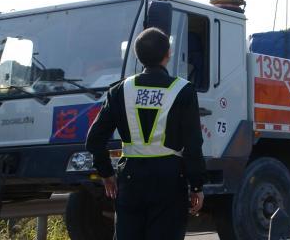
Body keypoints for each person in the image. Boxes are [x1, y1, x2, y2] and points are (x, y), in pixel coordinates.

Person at [86, 27, 206, 240]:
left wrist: (106, 174)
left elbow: (94, 140)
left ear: (137, 55)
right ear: (167, 54)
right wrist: (196, 185)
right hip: (169, 179)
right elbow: (194, 144)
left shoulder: (119, 91)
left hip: (130, 178)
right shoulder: (183, 90)